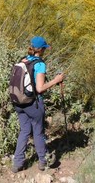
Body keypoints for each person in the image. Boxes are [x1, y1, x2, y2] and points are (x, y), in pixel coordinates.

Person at [12, 35, 64, 172]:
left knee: (24, 131)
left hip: (19, 102)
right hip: (33, 103)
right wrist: (56, 80)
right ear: (40, 50)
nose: (45, 51)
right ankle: (43, 162)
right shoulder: (39, 64)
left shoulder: (23, 60)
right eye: (44, 49)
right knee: (38, 132)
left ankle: (17, 163)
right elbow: (40, 88)